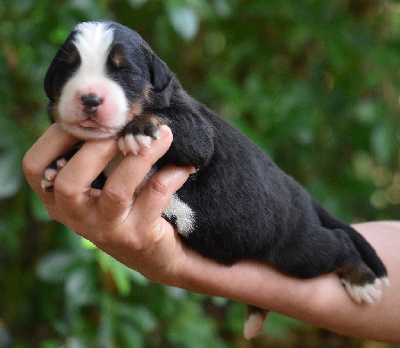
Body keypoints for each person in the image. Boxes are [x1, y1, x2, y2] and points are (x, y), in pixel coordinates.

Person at [23, 123, 400, 343]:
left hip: (263, 217)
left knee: (309, 249)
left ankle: (355, 262)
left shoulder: (167, 122)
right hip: (253, 215)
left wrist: (182, 267)